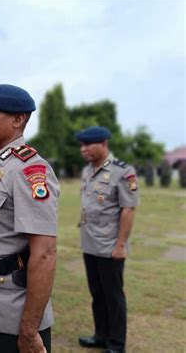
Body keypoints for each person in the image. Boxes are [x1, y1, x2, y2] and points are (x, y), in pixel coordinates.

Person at [0, 84, 60, 353]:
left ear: (17, 120)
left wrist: (29, 331)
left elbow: (44, 254)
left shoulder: (28, 169)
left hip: (12, 312)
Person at [76, 126, 138, 353]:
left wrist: (121, 244)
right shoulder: (88, 171)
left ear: (103, 144)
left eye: (88, 145)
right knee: (97, 293)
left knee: (113, 296)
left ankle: (116, 343)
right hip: (90, 243)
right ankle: (101, 335)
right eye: (81, 145)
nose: (83, 150)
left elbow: (128, 209)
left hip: (111, 245)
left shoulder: (123, 172)